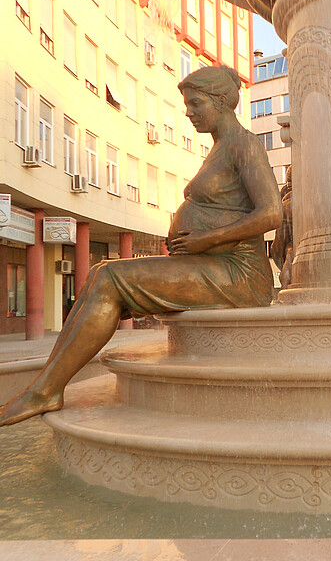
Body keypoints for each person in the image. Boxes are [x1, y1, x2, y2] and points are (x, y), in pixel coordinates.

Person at [0, 65, 283, 427]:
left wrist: (206, 239)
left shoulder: (244, 144)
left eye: (196, 103)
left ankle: (44, 391)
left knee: (109, 278)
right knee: (103, 271)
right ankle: (44, 387)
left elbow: (272, 213)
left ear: (222, 101)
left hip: (238, 274)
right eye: (186, 104)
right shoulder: (219, 148)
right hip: (210, 264)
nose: (188, 112)